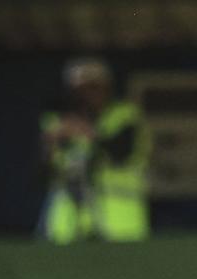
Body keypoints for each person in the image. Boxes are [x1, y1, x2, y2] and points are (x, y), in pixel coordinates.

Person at [39, 57, 151, 243]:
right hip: (68, 226)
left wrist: (88, 133)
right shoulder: (56, 121)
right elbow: (41, 174)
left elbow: (122, 152)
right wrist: (49, 143)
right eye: (81, 89)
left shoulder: (126, 116)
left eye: (95, 87)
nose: (88, 95)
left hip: (120, 225)